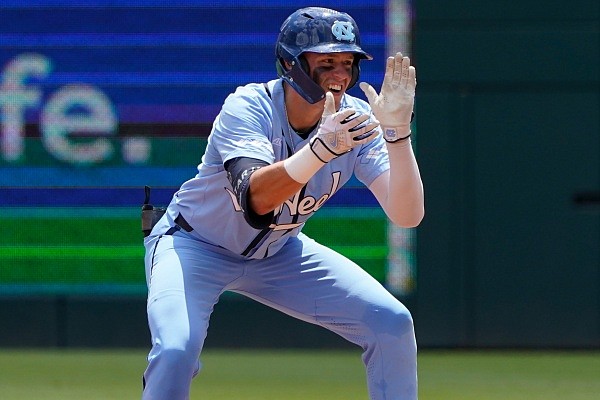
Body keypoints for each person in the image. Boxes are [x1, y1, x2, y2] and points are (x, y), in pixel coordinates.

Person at [142, 6, 424, 400]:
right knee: (175, 350)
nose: (340, 73)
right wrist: (319, 151)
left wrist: (397, 135)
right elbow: (256, 199)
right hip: (194, 245)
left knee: (391, 322)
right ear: (290, 64)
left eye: (347, 62)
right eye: (325, 61)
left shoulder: (358, 121)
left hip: (279, 252)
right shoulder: (249, 106)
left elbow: (406, 215)